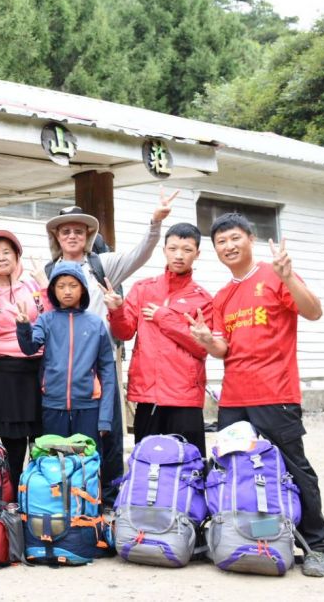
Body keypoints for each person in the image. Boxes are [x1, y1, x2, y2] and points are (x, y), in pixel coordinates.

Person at [187, 212, 324, 577]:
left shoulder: (274, 275)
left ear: (249, 238)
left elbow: (313, 311)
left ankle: (316, 546)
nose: (229, 246)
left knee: (295, 468)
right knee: (231, 468)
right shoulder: (223, 296)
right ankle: (234, 536)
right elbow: (224, 349)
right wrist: (207, 339)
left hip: (276, 392)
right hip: (234, 398)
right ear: (215, 250)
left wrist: (287, 277)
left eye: (235, 238)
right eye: (221, 242)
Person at [43, 189, 177, 504]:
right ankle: (64, 495)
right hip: (60, 364)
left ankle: (109, 495)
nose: (72, 235)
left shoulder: (103, 264)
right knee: (62, 429)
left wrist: (155, 224)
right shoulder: (48, 272)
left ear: (88, 235)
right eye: (66, 231)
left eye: (78, 230)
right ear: (57, 236)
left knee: (107, 429)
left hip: (100, 360)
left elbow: (140, 254)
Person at [106, 222, 213, 458]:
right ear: (164, 250)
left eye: (187, 249)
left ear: (198, 254)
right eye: (173, 248)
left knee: (190, 465)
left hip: (185, 397)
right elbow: (124, 332)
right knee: (147, 465)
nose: (179, 255)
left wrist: (164, 317)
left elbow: (202, 348)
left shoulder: (203, 298)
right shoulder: (143, 288)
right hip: (148, 394)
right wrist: (116, 310)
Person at [0, 230, 50, 489]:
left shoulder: (32, 286)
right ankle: (15, 497)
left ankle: (40, 495)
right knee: (13, 443)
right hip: (4, 370)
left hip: (38, 368)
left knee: (41, 440)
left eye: (7, 251)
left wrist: (44, 282)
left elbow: (52, 318)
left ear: (17, 256)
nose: (2, 257)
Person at [16, 262, 117, 447]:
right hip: (53, 406)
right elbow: (29, 347)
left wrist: (105, 418)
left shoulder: (95, 324)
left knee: (86, 464)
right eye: (61, 286)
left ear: (83, 289)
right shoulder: (46, 319)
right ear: (53, 290)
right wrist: (23, 326)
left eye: (73, 285)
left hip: (88, 407)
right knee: (54, 464)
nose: (67, 291)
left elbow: (108, 371)